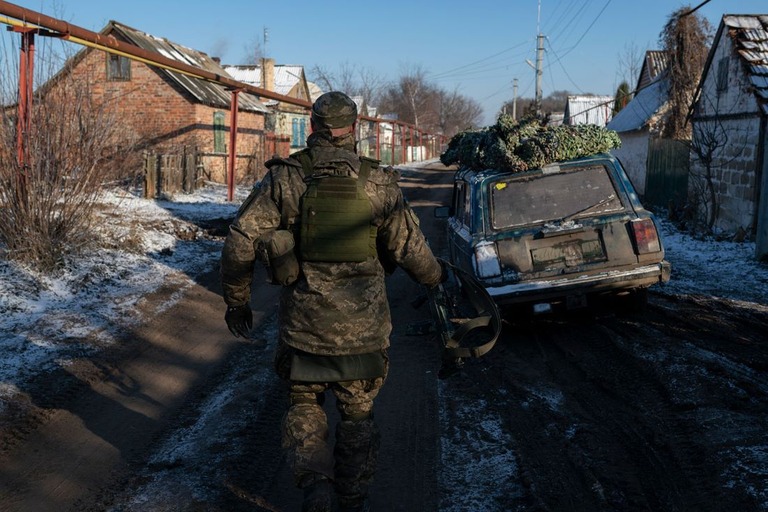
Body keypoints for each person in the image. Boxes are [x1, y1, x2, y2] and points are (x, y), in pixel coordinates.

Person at [220, 91, 444, 512]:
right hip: (364, 333)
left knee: (304, 404)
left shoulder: (285, 179)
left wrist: (237, 300)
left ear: (313, 125)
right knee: (358, 414)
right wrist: (438, 281)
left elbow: (240, 243)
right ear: (354, 128)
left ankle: (315, 488)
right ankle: (351, 499)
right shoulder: (378, 181)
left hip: (304, 331)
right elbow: (410, 250)